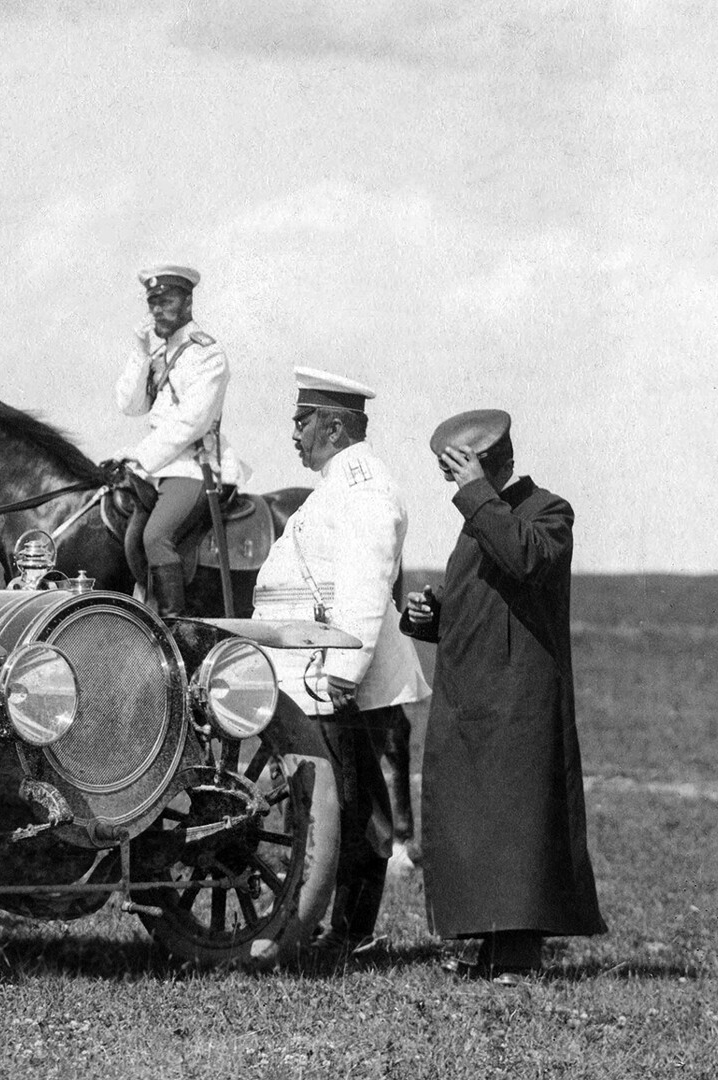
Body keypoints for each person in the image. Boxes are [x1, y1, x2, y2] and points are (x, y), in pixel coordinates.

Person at [401, 409, 606, 982]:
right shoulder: (481, 517)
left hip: (518, 697)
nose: (451, 483)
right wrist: (430, 612)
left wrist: (476, 496)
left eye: (457, 471)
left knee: (516, 821)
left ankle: (517, 954)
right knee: (470, 818)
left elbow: (527, 558)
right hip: (469, 693)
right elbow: (479, 597)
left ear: (488, 465)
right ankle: (481, 944)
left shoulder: (549, 510)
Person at [251, 368, 430, 956]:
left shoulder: (365, 491)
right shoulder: (339, 485)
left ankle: (349, 934)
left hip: (332, 676)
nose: (294, 435)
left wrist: (342, 674)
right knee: (346, 802)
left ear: (333, 426)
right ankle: (339, 929)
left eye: (301, 423)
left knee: (355, 807)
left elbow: (364, 585)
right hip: (311, 671)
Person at [110, 264, 248, 622]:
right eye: (152, 302)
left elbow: (192, 422)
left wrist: (140, 457)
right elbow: (130, 404)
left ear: (187, 303)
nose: (157, 310)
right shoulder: (160, 356)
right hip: (160, 468)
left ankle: (172, 626)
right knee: (126, 534)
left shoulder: (207, 354)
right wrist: (140, 352)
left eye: (166, 301)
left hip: (194, 466)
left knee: (156, 537)